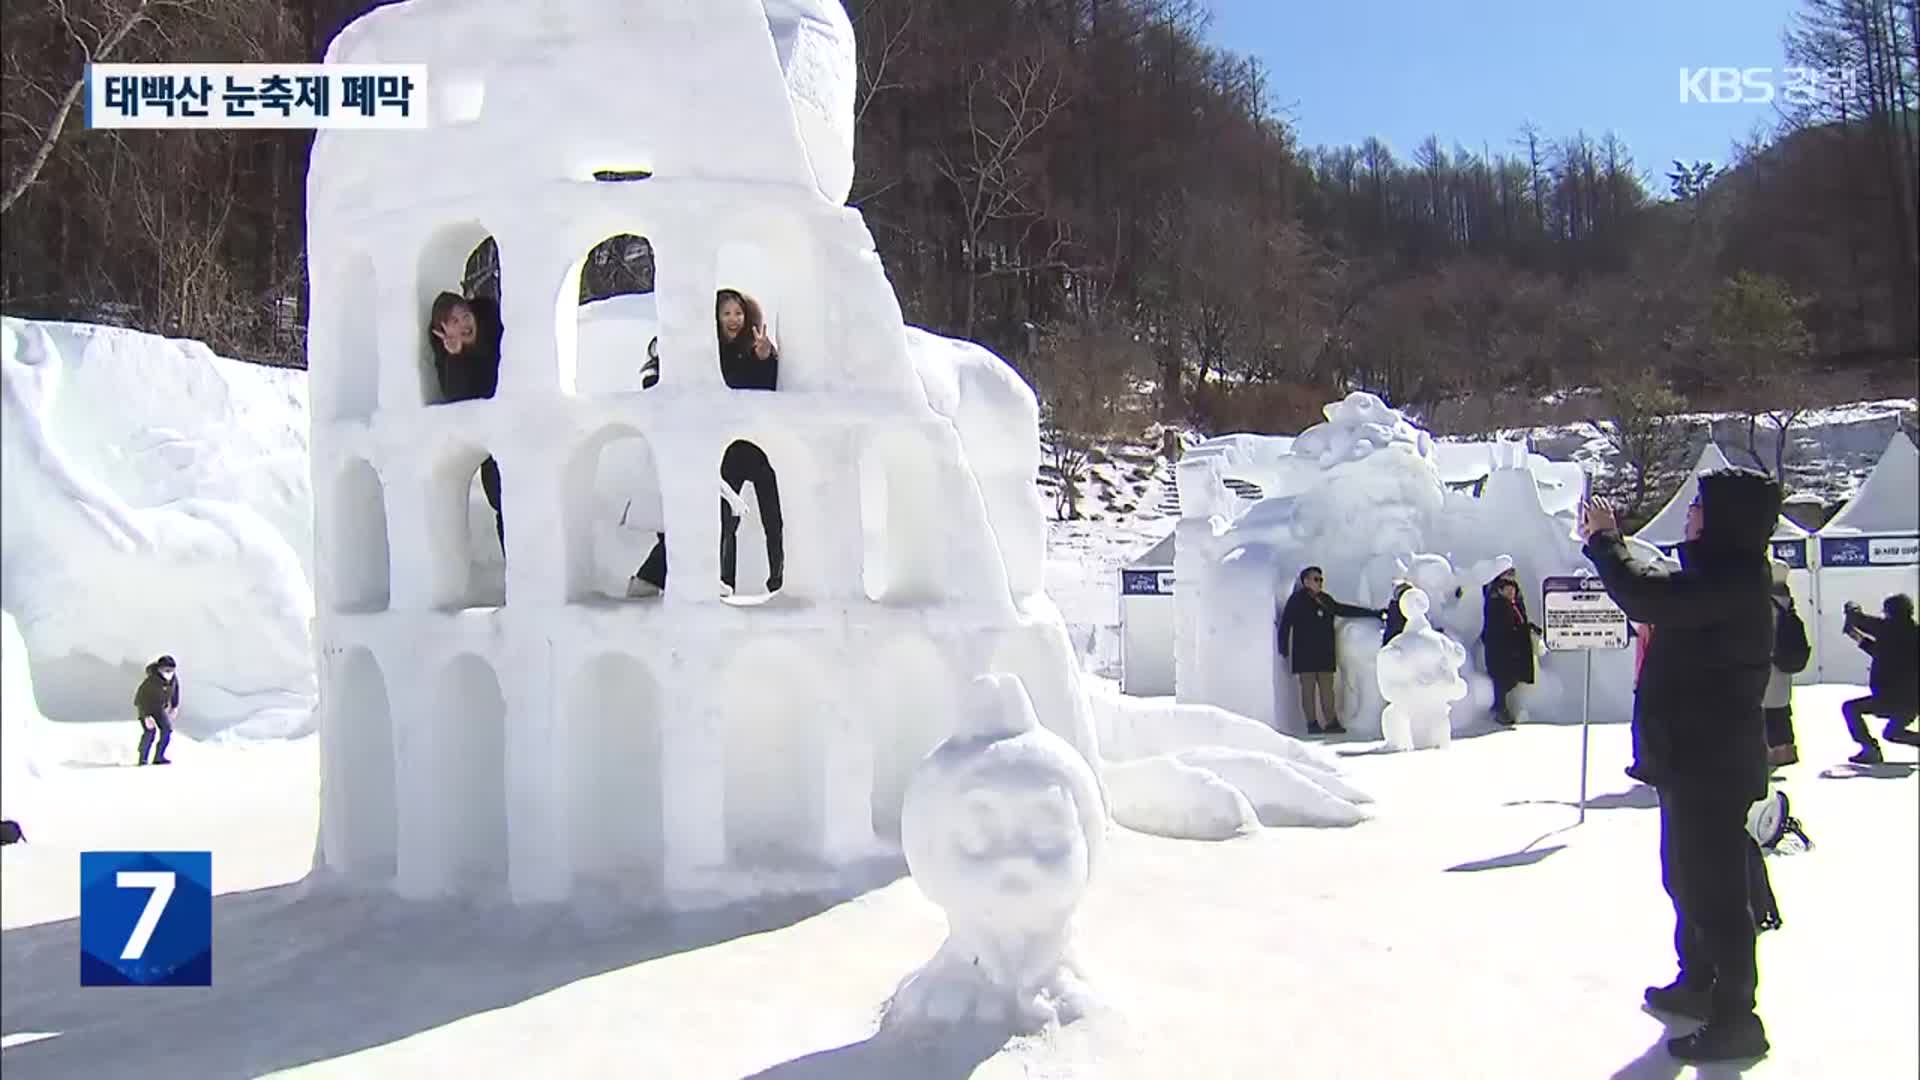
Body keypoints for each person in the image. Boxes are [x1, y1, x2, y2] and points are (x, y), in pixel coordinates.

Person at [1578, 469, 1782, 1064]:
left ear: (1723, 519)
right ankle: (1698, 982)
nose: (1689, 515)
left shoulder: (1733, 581)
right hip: (1693, 760)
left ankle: (1736, 1017)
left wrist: (1605, 543)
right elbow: (1657, 586)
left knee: (1716, 896)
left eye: (1698, 506)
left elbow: (1646, 595)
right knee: (1688, 880)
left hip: (1710, 764)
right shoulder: (1719, 576)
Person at [714, 290, 785, 594]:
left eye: (738, 313)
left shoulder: (755, 347)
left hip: (758, 447)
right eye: (727, 313)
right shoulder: (711, 352)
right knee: (726, 521)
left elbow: (767, 388)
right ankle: (724, 582)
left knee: (773, 517)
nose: (733, 320)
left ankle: (778, 581)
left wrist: (766, 357)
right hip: (727, 449)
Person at [428, 291, 507, 553]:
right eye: (455, 322)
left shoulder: (495, 326)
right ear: (443, 330)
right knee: (501, 500)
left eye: (465, 315)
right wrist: (456, 356)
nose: (464, 324)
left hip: (513, 421)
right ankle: (521, 575)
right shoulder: (450, 356)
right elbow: (457, 398)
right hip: (490, 437)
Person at [1276, 566, 1387, 735]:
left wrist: (1373, 614)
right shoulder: (1296, 601)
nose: (1319, 583)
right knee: (1308, 691)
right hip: (1305, 655)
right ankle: (1311, 723)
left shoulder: (1325, 600)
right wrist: (1283, 647)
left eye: (1321, 579)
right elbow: (1286, 624)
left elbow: (1343, 610)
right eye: (1316, 579)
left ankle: (1331, 721)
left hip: (1324, 653)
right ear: (1305, 581)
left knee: (1327, 691)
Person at [1838, 593, 1919, 764]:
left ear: (1889, 612)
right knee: (1892, 734)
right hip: (1911, 702)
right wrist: (1859, 639)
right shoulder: (1914, 632)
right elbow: (1886, 654)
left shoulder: (1886, 628)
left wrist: (1851, 607)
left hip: (1887, 698)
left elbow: (1859, 620)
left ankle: (1869, 749)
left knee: (1850, 708)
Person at [1762, 561, 1811, 767]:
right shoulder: (1786, 600)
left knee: (1768, 710)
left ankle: (1775, 753)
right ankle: (1787, 750)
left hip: (1768, 664)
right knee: (1781, 709)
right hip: (1783, 665)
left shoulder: (1765, 603)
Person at [1482, 574, 1544, 725]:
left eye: (1513, 590)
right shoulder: (1498, 606)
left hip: (1511, 649)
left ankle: (1501, 709)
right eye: (1508, 590)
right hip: (1501, 650)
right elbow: (1498, 628)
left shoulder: (1513, 605)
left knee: (1509, 679)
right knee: (1502, 680)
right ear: (1501, 590)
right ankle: (1500, 709)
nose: (1511, 593)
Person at [134, 655, 180, 766]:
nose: (169, 672)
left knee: (167, 729)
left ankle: (159, 756)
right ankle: (143, 758)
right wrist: (146, 716)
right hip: (146, 709)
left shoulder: (173, 679)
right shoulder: (150, 681)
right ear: (159, 669)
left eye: (171, 670)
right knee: (150, 732)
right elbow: (139, 699)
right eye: (166, 670)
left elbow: (175, 691)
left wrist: (174, 706)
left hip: (160, 709)